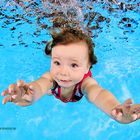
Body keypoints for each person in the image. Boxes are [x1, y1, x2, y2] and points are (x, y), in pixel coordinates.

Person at [1, 28, 140, 124]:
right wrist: (28, 95)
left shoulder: (86, 83)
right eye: (57, 62)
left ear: (88, 66)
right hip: (53, 88)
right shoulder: (51, 77)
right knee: (48, 89)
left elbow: (99, 94)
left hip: (80, 86)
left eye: (73, 65)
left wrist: (115, 111)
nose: (63, 72)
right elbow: (39, 86)